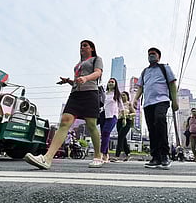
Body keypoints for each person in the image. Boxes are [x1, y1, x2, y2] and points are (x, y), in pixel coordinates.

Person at [24, 40, 104, 169]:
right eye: (80, 46)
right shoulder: (77, 65)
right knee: (65, 122)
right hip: (75, 95)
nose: (82, 48)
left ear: (92, 49)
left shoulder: (96, 59)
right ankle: (47, 158)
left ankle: (98, 156)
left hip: (90, 93)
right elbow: (77, 81)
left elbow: (98, 73)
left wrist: (86, 78)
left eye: (85, 45)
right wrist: (68, 81)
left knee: (91, 125)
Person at [133, 47, 178, 169]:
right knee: (151, 129)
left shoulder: (164, 68)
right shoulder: (144, 71)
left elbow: (172, 83)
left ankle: (164, 155)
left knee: (159, 121)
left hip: (162, 100)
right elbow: (141, 87)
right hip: (147, 103)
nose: (151, 56)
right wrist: (135, 99)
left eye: (153, 54)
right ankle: (155, 157)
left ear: (159, 57)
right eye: (149, 54)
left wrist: (175, 101)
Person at [98, 78, 123, 163]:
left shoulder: (117, 94)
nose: (110, 83)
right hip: (103, 115)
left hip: (112, 116)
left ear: (115, 84)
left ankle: (101, 154)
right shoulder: (104, 94)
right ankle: (106, 155)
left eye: (112, 82)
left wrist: (123, 118)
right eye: (109, 82)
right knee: (104, 135)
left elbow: (121, 107)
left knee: (106, 132)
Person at [111, 91, 135, 162]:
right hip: (119, 121)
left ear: (127, 96)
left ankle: (117, 156)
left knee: (120, 137)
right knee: (123, 138)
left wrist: (129, 115)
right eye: (121, 95)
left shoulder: (129, 104)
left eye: (124, 95)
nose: (122, 96)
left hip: (127, 121)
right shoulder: (118, 104)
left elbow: (134, 113)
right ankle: (128, 154)